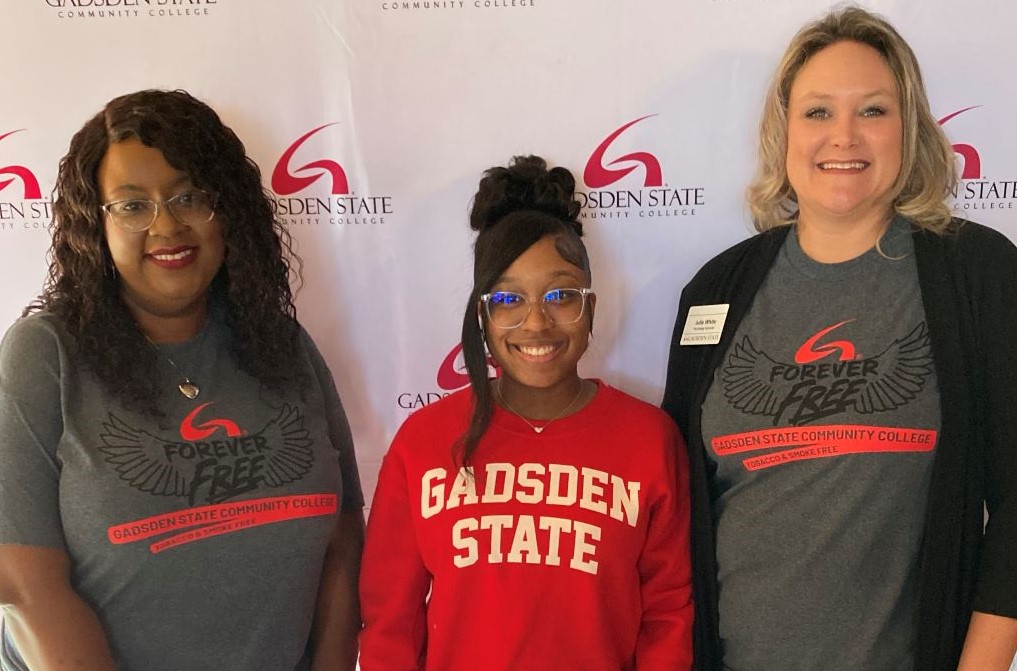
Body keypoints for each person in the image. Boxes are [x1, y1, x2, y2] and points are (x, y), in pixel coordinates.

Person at [661, 6, 1017, 671]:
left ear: (910, 128)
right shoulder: (715, 289)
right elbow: (675, 516)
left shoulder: (976, 272)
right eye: (817, 112)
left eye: (873, 111)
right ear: (783, 129)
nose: (842, 136)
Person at [0, 89, 365, 671]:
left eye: (190, 197)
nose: (166, 224)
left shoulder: (283, 346)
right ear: (94, 223)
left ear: (230, 212)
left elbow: (343, 541)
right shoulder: (45, 354)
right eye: (132, 205)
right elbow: (22, 585)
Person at [359, 155, 693, 670]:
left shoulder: (649, 439)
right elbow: (389, 621)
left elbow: (668, 613)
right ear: (483, 316)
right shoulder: (423, 441)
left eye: (561, 295)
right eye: (509, 299)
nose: (536, 322)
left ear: (591, 309)